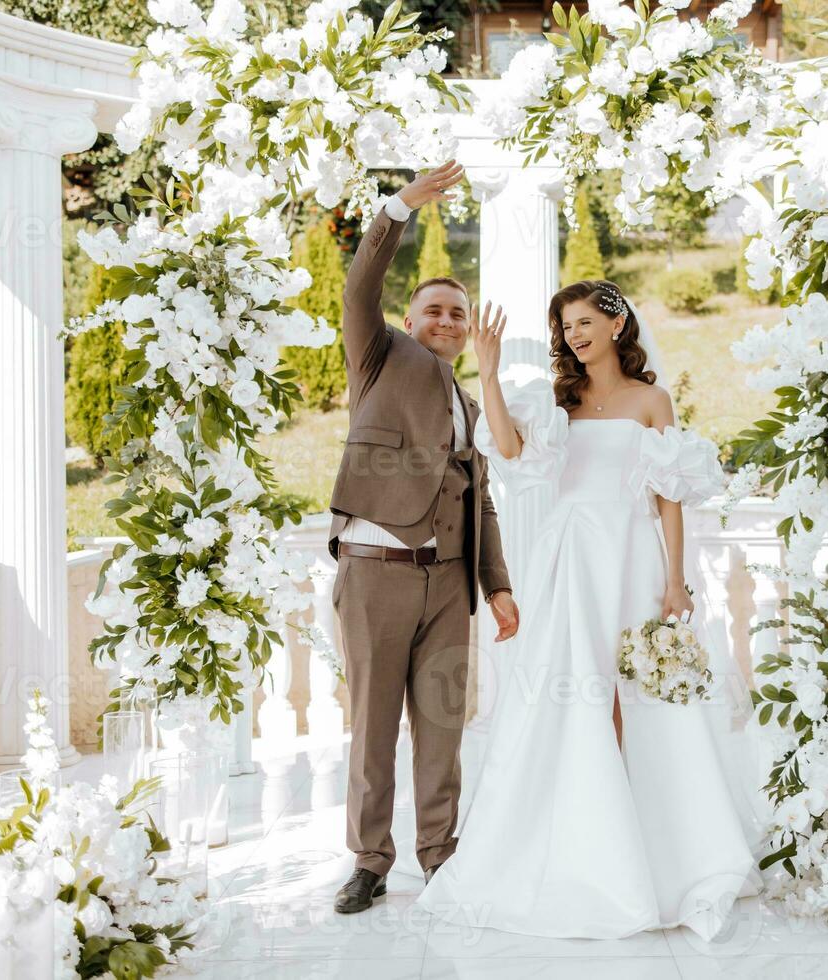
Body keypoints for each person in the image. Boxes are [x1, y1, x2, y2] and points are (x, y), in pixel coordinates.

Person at [417, 279, 762, 940]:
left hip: (631, 558)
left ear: (615, 322)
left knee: (637, 696)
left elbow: (668, 495)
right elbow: (510, 450)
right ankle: (581, 844)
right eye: (565, 326)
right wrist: (487, 372)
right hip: (571, 558)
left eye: (582, 322)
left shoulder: (651, 400)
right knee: (571, 696)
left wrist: (678, 580)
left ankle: (654, 844)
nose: (573, 335)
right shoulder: (558, 400)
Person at [327, 162, 521, 915]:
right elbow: (358, 287)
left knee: (442, 727)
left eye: (457, 315)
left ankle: (441, 857)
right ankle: (369, 862)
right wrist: (400, 209)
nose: (446, 322)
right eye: (435, 311)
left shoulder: (468, 402)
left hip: (449, 583)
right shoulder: (379, 357)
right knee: (373, 727)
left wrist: (496, 584)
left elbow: (483, 499)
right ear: (412, 319)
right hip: (375, 570)